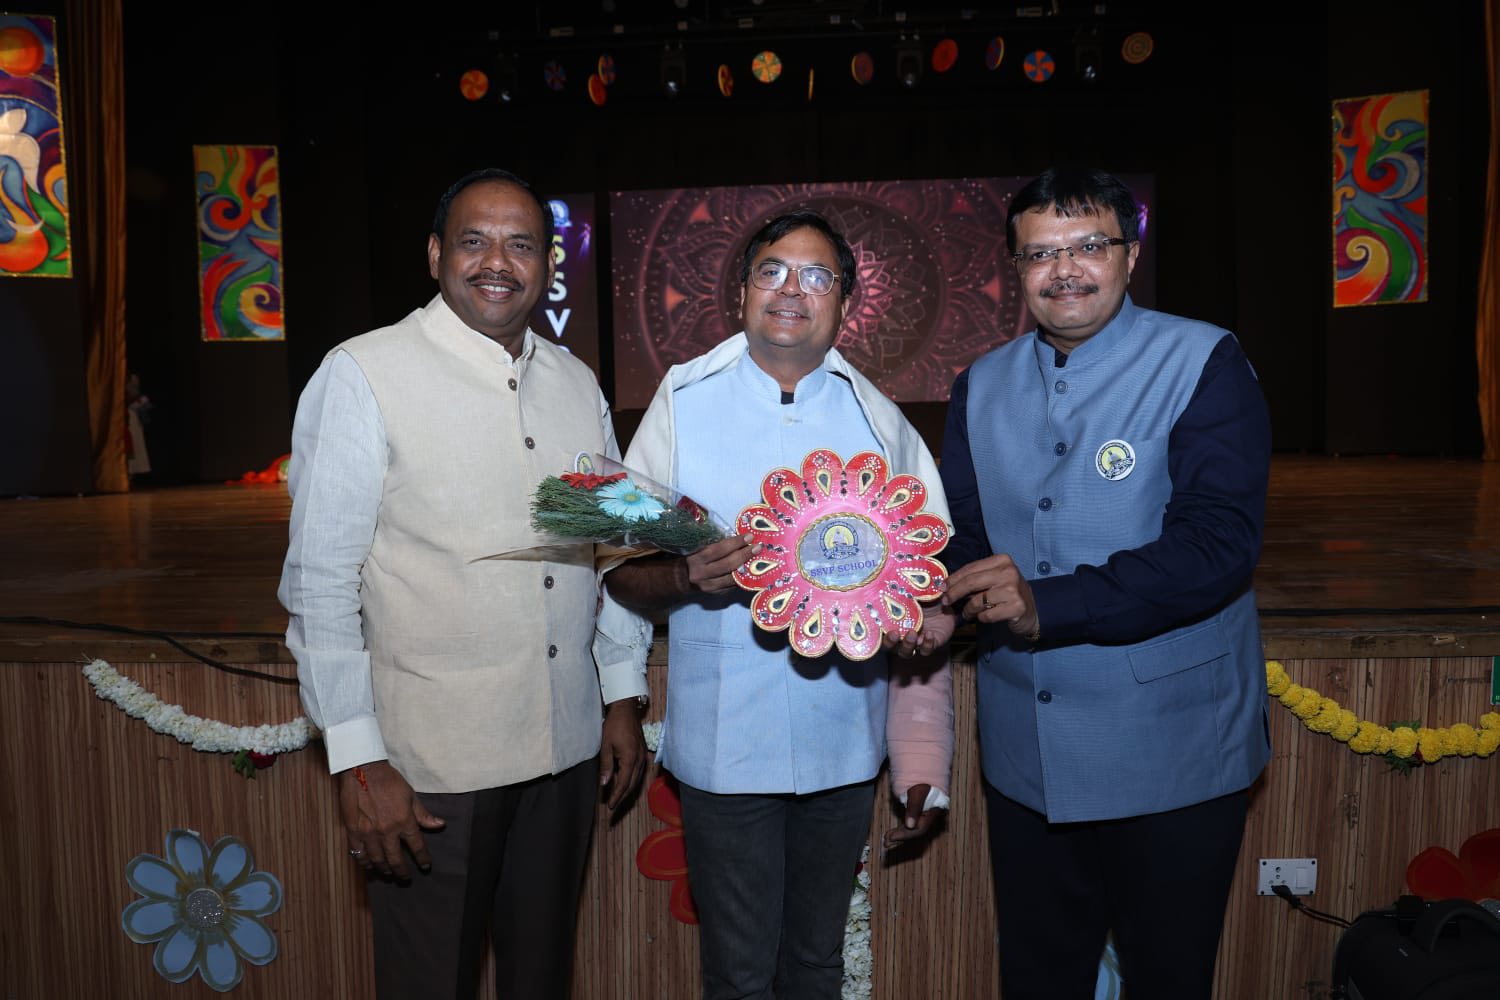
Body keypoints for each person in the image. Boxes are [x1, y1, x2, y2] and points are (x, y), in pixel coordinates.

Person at [278, 168, 647, 1000]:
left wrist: (621, 692)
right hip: (430, 769)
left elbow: (610, 547)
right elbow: (320, 583)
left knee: (540, 981)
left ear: (547, 265)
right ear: (435, 254)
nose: (498, 262)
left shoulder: (576, 382)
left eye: (522, 245)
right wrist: (359, 761)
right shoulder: (364, 373)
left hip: (563, 750)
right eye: (474, 241)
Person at [594, 210, 957, 1000]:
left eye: (816, 276)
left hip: (844, 747)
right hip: (724, 750)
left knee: (816, 965)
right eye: (772, 271)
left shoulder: (879, 421)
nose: (792, 290)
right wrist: (686, 577)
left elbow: (929, 588)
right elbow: (619, 572)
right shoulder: (683, 403)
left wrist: (921, 634)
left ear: (845, 303)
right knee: (738, 975)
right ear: (742, 292)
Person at [939, 166, 1272, 1000]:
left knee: (1167, 980)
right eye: (1039, 254)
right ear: (1015, 269)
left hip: (1171, 752)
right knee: (1038, 980)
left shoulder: (1202, 359)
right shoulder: (978, 384)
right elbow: (965, 540)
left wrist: (1046, 605)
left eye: (1088, 246)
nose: (1064, 270)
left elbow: (1217, 546)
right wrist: (930, 601)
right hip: (1026, 757)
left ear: (1130, 253)